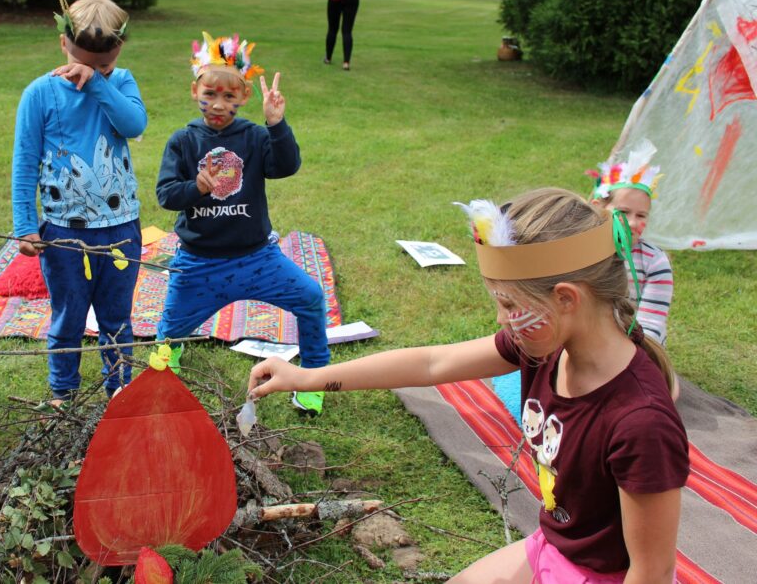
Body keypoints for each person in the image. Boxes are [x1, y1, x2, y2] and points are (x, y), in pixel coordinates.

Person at [250, 189, 688, 582]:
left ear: (566, 298)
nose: (501, 320)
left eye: (510, 304)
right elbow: (432, 363)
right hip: (552, 548)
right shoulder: (546, 346)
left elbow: (652, 571)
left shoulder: (640, 424)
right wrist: (309, 377)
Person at [156, 33, 331, 415]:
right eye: (210, 94)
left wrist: (276, 124)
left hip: (257, 259)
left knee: (311, 298)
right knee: (166, 337)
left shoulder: (253, 136)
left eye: (229, 97)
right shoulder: (183, 141)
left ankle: (314, 378)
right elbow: (166, 195)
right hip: (197, 263)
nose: (218, 105)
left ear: (244, 97)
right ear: (194, 90)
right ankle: (173, 351)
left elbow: (285, 167)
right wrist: (196, 186)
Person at [12, 0, 146, 402]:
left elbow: (133, 123)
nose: (88, 73)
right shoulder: (40, 93)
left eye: (102, 64)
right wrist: (24, 224)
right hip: (64, 233)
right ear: (62, 45)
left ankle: (120, 389)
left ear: (118, 51)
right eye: (82, 63)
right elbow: (25, 161)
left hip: (121, 229)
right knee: (68, 316)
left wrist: (101, 83)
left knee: (116, 317)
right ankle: (63, 392)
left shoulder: (120, 83)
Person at [588, 140, 672, 344]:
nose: (633, 222)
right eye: (623, 212)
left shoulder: (655, 263)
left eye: (642, 215)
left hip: (635, 347)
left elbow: (651, 325)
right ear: (598, 207)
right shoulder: (582, 251)